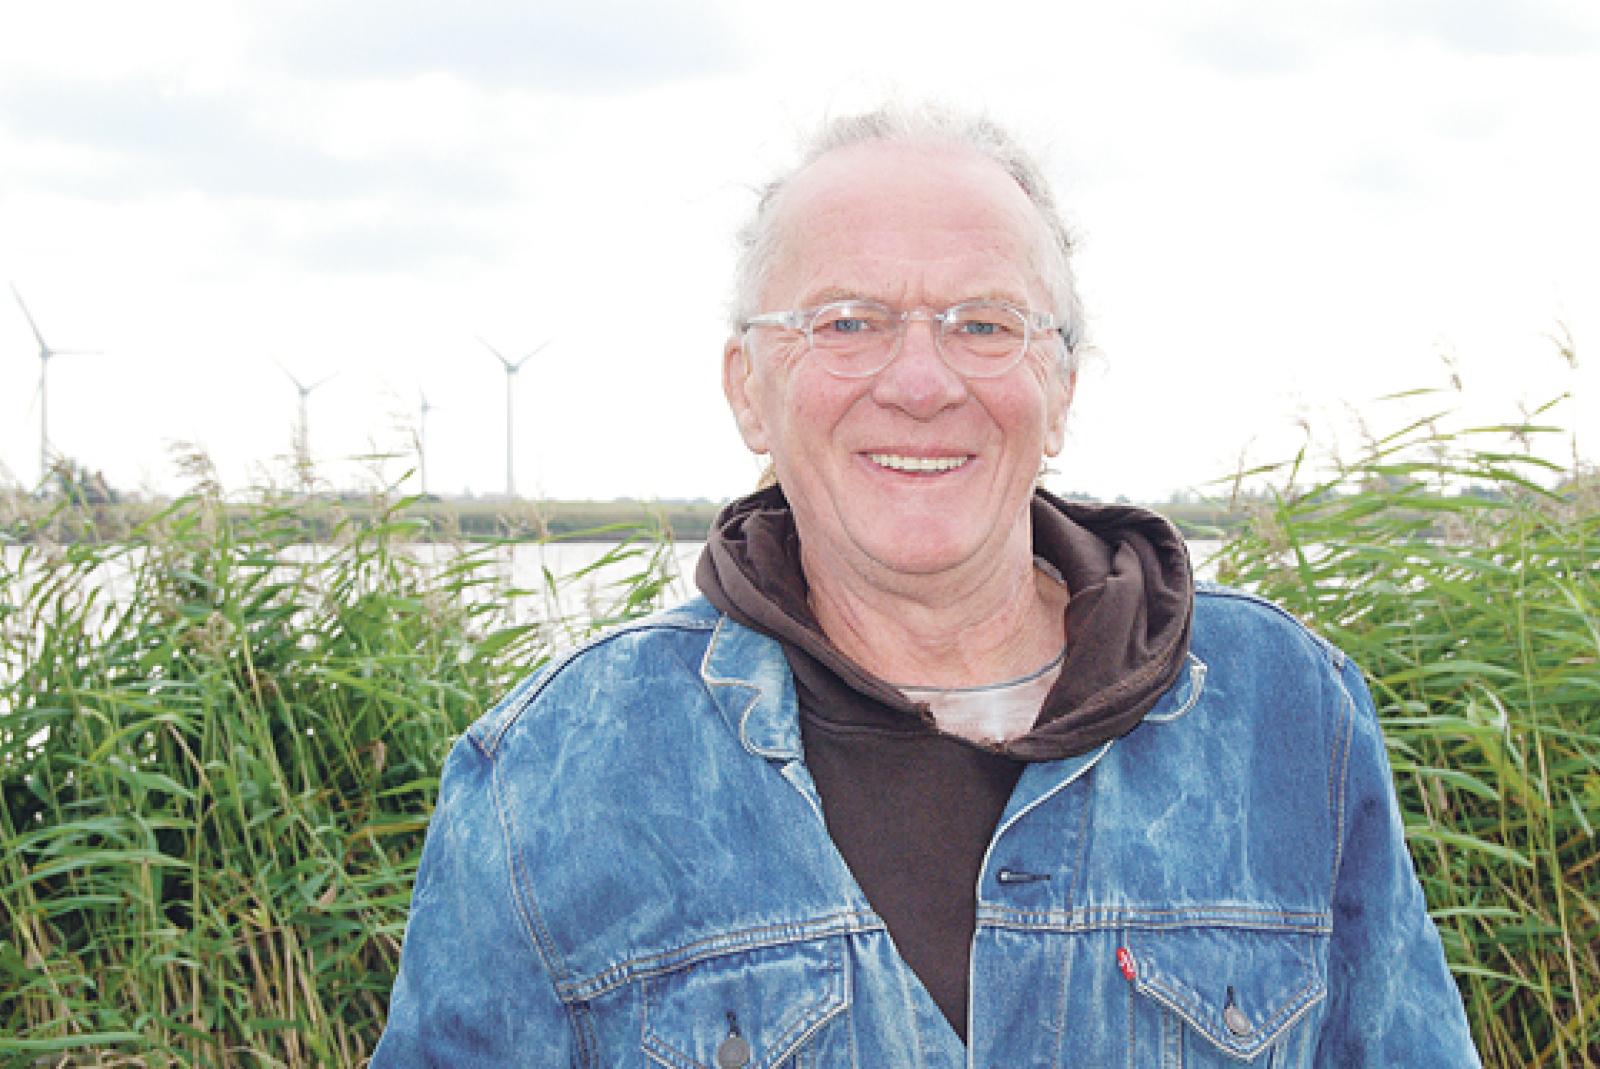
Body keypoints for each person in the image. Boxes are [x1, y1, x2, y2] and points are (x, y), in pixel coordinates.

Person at [372, 104, 1482, 1066]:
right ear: (748, 390)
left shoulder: (1286, 713)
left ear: (1060, 387)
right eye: (847, 322)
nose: (919, 381)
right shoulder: (552, 773)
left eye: (983, 325)